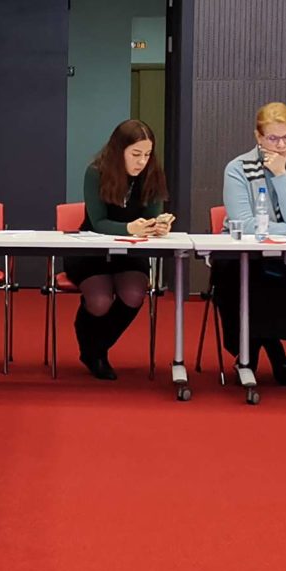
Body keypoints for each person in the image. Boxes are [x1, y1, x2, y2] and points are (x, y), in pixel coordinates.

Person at [216, 101, 286, 386]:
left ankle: (256, 352)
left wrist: (280, 175)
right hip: (240, 253)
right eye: (272, 138)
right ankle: (274, 353)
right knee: (245, 278)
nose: (281, 145)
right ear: (258, 137)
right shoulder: (237, 168)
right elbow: (245, 224)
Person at [66, 119, 174, 381]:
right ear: (119, 151)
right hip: (92, 250)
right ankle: (92, 348)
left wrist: (158, 225)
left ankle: (95, 350)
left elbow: (152, 215)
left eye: (147, 154)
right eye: (135, 154)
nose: (142, 161)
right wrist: (129, 228)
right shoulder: (96, 172)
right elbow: (99, 222)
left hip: (130, 252)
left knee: (134, 294)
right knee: (100, 301)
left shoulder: (152, 173)